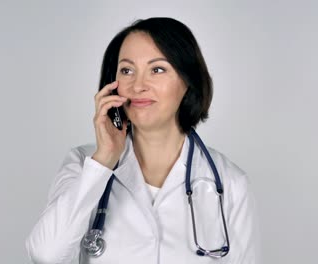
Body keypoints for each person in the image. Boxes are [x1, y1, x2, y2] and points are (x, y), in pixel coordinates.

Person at [26, 17, 260, 264]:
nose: (138, 86)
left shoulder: (230, 182)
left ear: (187, 81)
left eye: (157, 69)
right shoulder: (84, 164)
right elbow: (45, 256)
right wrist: (104, 161)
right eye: (127, 70)